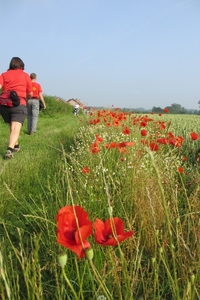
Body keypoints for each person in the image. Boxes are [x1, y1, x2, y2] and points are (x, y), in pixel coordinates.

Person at [0, 57, 33, 159]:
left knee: (12, 125)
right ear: (21, 66)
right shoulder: (25, 75)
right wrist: (26, 98)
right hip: (19, 103)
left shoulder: (4, 75)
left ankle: (16, 146)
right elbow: (30, 93)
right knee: (16, 127)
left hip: (4, 104)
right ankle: (9, 150)